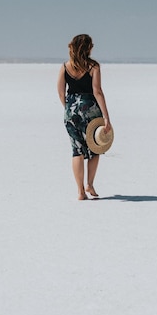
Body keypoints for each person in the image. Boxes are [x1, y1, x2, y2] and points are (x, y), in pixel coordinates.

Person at [57, 34, 112, 200]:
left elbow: (60, 92)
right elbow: (97, 91)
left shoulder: (65, 66)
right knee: (95, 147)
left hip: (71, 110)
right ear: (88, 47)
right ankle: (90, 184)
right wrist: (106, 117)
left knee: (77, 151)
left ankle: (80, 191)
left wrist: (69, 109)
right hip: (90, 109)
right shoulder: (93, 66)